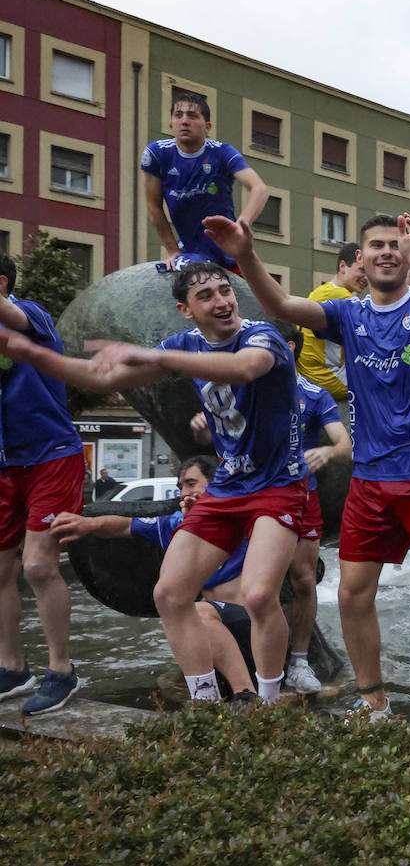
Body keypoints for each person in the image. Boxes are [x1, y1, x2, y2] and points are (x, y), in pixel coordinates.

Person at [208, 212, 410, 741]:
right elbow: (282, 307)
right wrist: (245, 255)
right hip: (372, 478)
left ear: (407, 255)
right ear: (359, 258)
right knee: (353, 594)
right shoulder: (347, 315)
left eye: (394, 246)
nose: (385, 253)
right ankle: (374, 700)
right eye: (375, 246)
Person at [0, 261, 306, 705]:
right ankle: (205, 701)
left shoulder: (261, 335)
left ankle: (271, 701)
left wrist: (156, 356)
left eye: (225, 290)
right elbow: (106, 378)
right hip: (228, 487)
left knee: (259, 595)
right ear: (186, 309)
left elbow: (243, 368)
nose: (222, 301)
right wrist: (37, 356)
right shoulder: (185, 343)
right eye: (207, 296)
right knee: (169, 592)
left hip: (278, 484)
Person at [190, 328, 352, 694]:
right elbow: (214, 435)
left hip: (300, 496)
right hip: (247, 494)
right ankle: (243, 665)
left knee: (303, 580)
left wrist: (327, 452)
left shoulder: (313, 393)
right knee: (246, 583)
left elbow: (345, 444)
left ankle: (298, 661)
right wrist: (201, 426)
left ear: (289, 349)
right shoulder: (242, 390)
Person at [50, 456, 260, 701]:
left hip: (252, 627)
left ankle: (244, 695)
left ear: (216, 485)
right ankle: (208, 698)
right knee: (179, 612)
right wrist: (88, 524)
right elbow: (122, 526)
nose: (184, 492)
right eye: (180, 486)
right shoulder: (177, 526)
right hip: (217, 630)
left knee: (194, 610)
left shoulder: (241, 514)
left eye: (192, 484)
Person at [0, 252, 87, 715]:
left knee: (37, 566)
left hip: (53, 455)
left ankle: (61, 671)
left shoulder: (31, 314)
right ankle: (13, 669)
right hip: (4, 464)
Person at [141, 91, 268, 272]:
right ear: (172, 123)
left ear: (207, 126)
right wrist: (173, 251)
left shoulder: (222, 152)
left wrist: (242, 224)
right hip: (191, 252)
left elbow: (259, 189)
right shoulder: (157, 154)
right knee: (188, 285)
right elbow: (153, 206)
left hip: (228, 249)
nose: (184, 121)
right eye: (178, 115)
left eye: (192, 116)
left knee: (258, 296)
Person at [298, 243, 368, 399]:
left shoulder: (321, 291)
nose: (367, 278)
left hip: (309, 375)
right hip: (329, 378)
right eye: (362, 270)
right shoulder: (341, 296)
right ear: (343, 266)